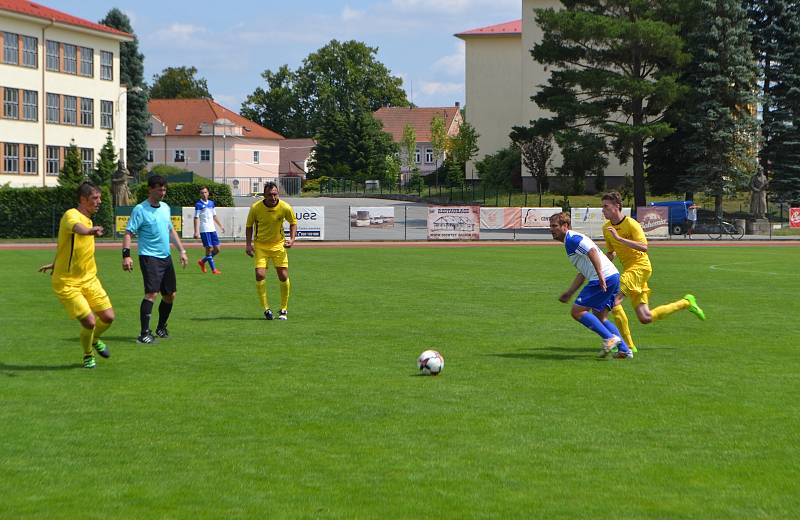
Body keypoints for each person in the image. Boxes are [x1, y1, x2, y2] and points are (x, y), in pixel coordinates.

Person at [601, 191, 705, 352]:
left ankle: (626, 346)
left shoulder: (631, 224)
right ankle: (686, 302)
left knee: (612, 300)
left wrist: (620, 239)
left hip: (641, 267)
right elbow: (611, 252)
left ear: (617, 206)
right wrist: (599, 267)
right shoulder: (606, 228)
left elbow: (644, 247)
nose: (603, 210)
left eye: (606, 207)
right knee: (645, 317)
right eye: (603, 207)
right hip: (631, 271)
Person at [39, 182, 115, 369]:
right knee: (90, 321)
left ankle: (95, 339)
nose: (99, 202)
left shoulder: (88, 219)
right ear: (83, 199)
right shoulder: (71, 215)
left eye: (99, 198)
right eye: (94, 198)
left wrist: (56, 262)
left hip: (89, 278)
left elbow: (71, 248)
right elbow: (77, 229)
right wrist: (91, 231)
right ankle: (88, 354)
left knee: (108, 317)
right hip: (67, 283)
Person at [549, 212, 632, 359]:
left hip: (604, 278)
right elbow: (583, 272)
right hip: (612, 276)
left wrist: (600, 276)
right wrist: (570, 292)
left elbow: (592, 252)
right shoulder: (570, 241)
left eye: (554, 226)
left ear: (565, 226)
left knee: (577, 311)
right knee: (600, 316)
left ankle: (609, 338)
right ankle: (624, 349)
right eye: (550, 226)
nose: (551, 229)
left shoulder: (572, 239)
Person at [122, 175, 188, 344]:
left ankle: (160, 327)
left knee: (170, 295)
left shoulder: (165, 207)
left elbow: (170, 230)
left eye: (164, 189)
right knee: (152, 293)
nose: (162, 192)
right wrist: (126, 255)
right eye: (159, 189)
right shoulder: (140, 209)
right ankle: (144, 333)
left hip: (166, 257)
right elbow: (129, 232)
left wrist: (181, 250)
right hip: (149, 257)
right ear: (150, 189)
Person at [245, 182, 298, 320]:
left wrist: (292, 240)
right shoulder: (256, 208)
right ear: (264, 195)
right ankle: (266, 309)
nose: (273, 197)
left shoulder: (285, 207)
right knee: (259, 274)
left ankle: (283, 309)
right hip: (261, 245)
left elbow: (293, 222)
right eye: (270, 195)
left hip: (278, 245)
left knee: (283, 275)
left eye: (275, 194)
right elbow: (249, 226)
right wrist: (248, 245)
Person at [193, 186, 225, 274]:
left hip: (212, 229)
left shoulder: (211, 203)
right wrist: (196, 231)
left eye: (205, 192)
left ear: (208, 193)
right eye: (202, 192)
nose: (204, 194)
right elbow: (196, 218)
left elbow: (214, 215)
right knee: (209, 248)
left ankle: (202, 261)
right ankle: (214, 269)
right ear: (200, 194)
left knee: (217, 249)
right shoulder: (198, 204)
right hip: (204, 229)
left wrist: (220, 226)